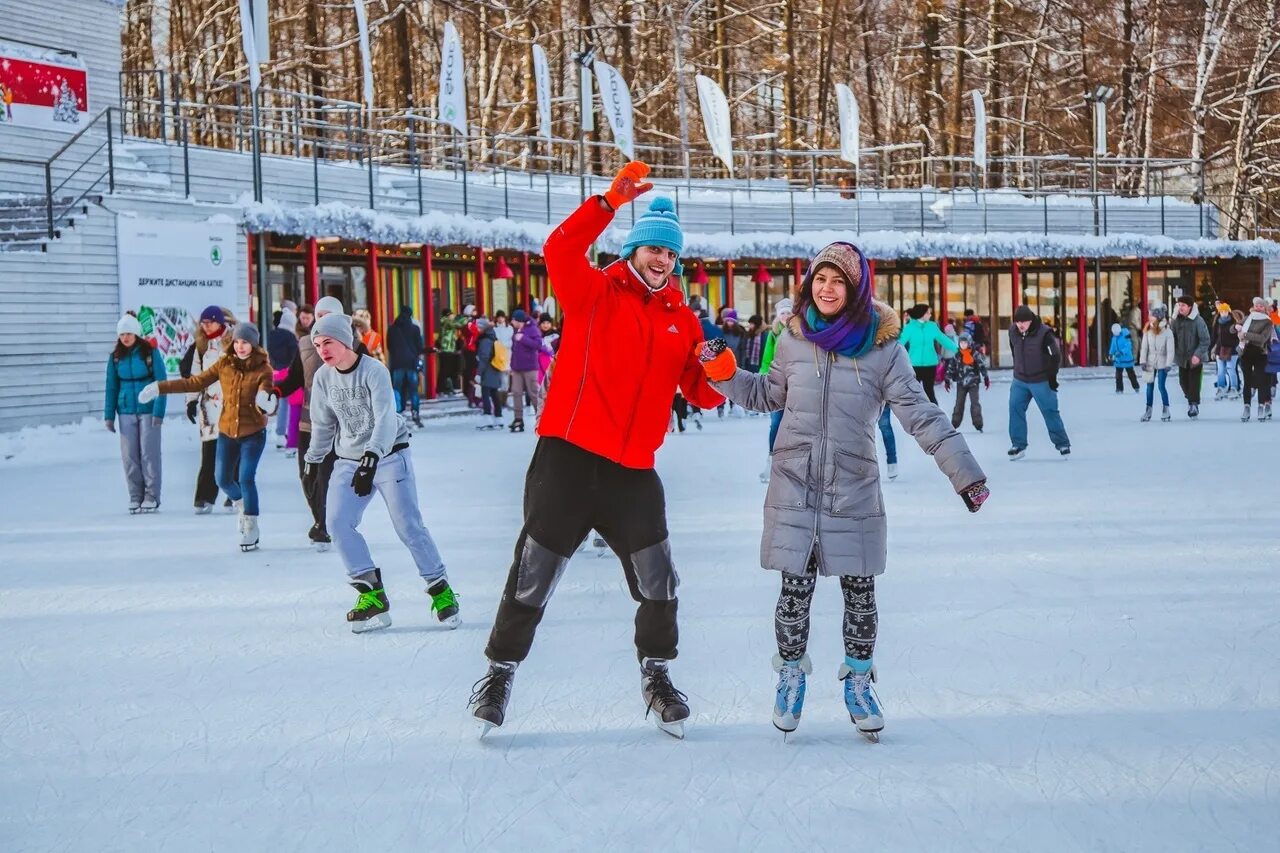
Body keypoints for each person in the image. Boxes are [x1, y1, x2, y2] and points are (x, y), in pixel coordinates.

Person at [468, 162, 725, 738]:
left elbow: (699, 394)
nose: (661, 260)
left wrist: (720, 372)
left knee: (659, 579)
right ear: (633, 251)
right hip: (568, 460)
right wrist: (607, 203)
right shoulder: (594, 293)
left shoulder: (682, 321)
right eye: (652, 250)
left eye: (669, 254)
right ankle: (500, 671)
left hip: (632, 471)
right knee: (533, 570)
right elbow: (559, 248)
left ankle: (656, 674)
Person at [699, 240, 988, 738]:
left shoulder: (884, 350)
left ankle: (858, 680)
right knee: (794, 591)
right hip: (795, 483)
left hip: (852, 486)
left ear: (856, 289)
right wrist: (724, 372)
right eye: (820, 278)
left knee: (860, 592)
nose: (828, 288)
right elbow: (767, 394)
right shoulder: (791, 340)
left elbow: (919, 414)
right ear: (809, 283)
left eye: (839, 281)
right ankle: (790, 675)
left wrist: (965, 472)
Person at [303, 312, 459, 633]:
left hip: (389, 454)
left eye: (328, 342)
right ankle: (370, 594)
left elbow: (386, 418)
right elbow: (323, 424)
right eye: (318, 344)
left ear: (345, 341)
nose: (322, 350)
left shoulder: (374, 371)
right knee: (336, 523)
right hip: (348, 459)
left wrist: (372, 456)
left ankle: (440, 590)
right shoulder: (323, 378)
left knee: (407, 525)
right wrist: (314, 460)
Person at [141, 323, 277, 551]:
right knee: (222, 478)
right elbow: (195, 382)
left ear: (254, 345)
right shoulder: (225, 364)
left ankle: (251, 525)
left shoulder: (263, 369)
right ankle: (242, 503)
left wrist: (267, 402)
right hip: (226, 432)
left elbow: (267, 391)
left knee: (246, 478)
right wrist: (159, 387)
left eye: (246, 342)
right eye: (238, 341)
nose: (241, 346)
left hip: (253, 433)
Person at [274, 295, 345, 550]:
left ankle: (325, 526)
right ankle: (320, 520)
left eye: (327, 316)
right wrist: (275, 392)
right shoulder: (305, 343)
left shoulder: (353, 344)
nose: (322, 321)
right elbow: (294, 378)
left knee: (326, 477)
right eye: (319, 316)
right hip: (307, 423)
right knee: (307, 476)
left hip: (337, 426)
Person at [105, 313, 167, 513]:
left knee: (149, 453)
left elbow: (162, 383)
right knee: (129, 455)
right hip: (125, 410)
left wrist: (159, 411)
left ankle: (151, 495)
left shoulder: (150, 353)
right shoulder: (115, 358)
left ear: (136, 333)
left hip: (148, 409)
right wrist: (109, 415)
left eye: (129, 333)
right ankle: (135, 495)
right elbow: (111, 387)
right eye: (122, 334)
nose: (125, 337)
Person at [180, 305, 236, 513]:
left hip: (232, 404)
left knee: (233, 452)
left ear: (220, 322)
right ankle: (204, 497)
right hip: (210, 407)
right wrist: (191, 401)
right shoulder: (201, 347)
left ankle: (234, 494)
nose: (206, 326)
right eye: (203, 323)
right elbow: (195, 377)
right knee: (210, 453)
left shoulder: (233, 341)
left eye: (210, 322)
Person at [1007, 304, 1069, 459]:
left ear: (1031, 320)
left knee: (1050, 411)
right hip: (1020, 380)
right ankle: (1018, 445)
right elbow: (1014, 350)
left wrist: (1052, 377)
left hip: (1041, 380)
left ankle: (1062, 443)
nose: (1020, 325)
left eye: (1024, 322)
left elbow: (1055, 355)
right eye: (1018, 322)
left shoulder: (1044, 333)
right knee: (1015, 408)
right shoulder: (1013, 331)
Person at [758, 297, 794, 483]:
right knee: (776, 422)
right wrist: (765, 377)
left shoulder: (800, 331)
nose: (785, 316)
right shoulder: (773, 334)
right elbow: (766, 359)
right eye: (783, 313)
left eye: (788, 312)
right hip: (778, 385)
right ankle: (772, 460)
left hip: (797, 384)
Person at [899, 303, 957, 403]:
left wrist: (958, 350)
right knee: (914, 393)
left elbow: (943, 340)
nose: (930, 315)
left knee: (929, 392)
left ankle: (935, 416)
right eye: (928, 313)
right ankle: (914, 416)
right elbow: (899, 343)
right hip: (914, 365)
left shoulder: (932, 326)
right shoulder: (909, 328)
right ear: (922, 314)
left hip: (930, 364)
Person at [1171, 295, 1210, 418]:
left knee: (1194, 382)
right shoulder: (1176, 321)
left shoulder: (1198, 321)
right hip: (1181, 357)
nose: (1180, 307)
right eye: (1179, 305)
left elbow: (1205, 340)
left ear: (1190, 307)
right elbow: (1172, 337)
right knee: (1183, 382)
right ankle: (1191, 399)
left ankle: (1193, 405)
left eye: (1183, 305)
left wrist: (1197, 355)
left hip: (1195, 357)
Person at [387, 304, 426, 427]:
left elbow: (389, 346)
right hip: (411, 363)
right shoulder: (414, 328)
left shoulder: (392, 328)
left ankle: (398, 411)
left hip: (397, 363)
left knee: (397, 388)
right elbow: (419, 347)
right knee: (413, 390)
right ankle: (415, 413)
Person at [944, 333, 990, 432]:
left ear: (969, 343)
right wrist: (947, 379)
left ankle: (978, 424)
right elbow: (951, 368)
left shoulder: (975, 354)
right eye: (961, 342)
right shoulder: (957, 356)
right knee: (959, 404)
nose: (963, 345)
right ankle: (954, 424)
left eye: (965, 342)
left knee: (975, 404)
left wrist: (986, 377)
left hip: (973, 383)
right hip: (961, 383)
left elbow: (982, 366)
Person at [268, 306, 300, 449]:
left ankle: (280, 433)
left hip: (276, 371)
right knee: (290, 404)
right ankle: (286, 432)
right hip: (288, 371)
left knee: (282, 402)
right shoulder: (290, 336)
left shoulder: (272, 334)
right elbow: (295, 354)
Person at [1239, 297, 1275, 422]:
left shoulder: (1268, 321)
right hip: (1246, 352)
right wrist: (1236, 328)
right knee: (1247, 380)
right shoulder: (1248, 318)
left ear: (1265, 308)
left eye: (1261, 306)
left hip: (1260, 353)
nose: (1258, 308)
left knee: (1261, 380)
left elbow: (1262, 338)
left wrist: (1245, 335)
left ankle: (1261, 406)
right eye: (1256, 305)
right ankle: (1246, 406)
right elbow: (1236, 327)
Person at [508, 308, 543, 433]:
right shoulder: (517, 330)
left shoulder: (532, 329)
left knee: (533, 393)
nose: (512, 322)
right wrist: (512, 366)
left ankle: (541, 419)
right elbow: (514, 350)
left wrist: (523, 339)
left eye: (514, 320)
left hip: (530, 367)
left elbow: (538, 344)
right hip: (517, 367)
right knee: (516, 392)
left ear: (519, 320)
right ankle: (518, 419)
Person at [1139, 306, 1175, 422]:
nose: (1150, 318)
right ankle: (1148, 410)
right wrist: (1143, 361)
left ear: (1158, 318)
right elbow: (1144, 348)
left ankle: (1166, 409)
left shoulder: (1167, 332)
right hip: (1150, 362)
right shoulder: (1148, 331)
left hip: (1162, 362)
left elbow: (1170, 350)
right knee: (1149, 387)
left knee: (1161, 386)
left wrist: (1168, 364)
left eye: (1152, 316)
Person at [472, 317, 505, 430]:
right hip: (495, 369)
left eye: (477, 327)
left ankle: (487, 417)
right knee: (494, 394)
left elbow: (484, 358)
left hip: (488, 371)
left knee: (485, 394)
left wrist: (479, 373)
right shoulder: (492, 337)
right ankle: (498, 417)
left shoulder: (485, 341)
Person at [1213, 304, 1242, 400]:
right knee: (1221, 370)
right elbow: (1214, 336)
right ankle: (1221, 388)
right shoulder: (1217, 323)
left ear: (1228, 311)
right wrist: (1211, 348)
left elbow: (1237, 337)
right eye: (1221, 311)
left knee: (1230, 369)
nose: (1223, 313)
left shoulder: (1234, 323)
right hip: (1220, 349)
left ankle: (1234, 388)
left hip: (1232, 349)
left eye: (1225, 311)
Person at [460, 304, 481, 406]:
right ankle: (470, 393)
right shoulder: (468, 323)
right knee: (471, 372)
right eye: (474, 311)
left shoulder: (471, 322)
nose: (475, 312)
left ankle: (471, 392)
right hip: (470, 349)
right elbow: (474, 333)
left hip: (472, 348)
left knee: (472, 371)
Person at [1109, 322, 1139, 393]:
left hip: (1127, 359)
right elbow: (1113, 347)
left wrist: (1122, 352)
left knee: (1131, 374)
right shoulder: (1114, 338)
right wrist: (1110, 353)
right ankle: (1119, 388)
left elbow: (1128, 346)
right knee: (1118, 375)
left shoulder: (1125, 336)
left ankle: (1136, 387)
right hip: (1118, 360)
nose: (1115, 334)